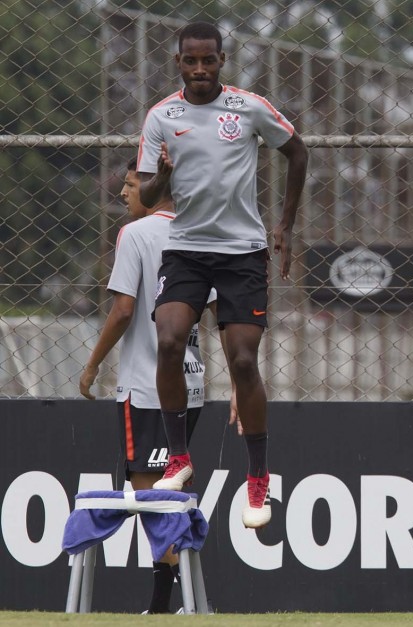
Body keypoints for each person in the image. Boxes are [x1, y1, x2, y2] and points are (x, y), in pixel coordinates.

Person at [137, 21, 309, 529]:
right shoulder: (161, 116)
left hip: (241, 253)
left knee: (241, 360)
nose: (199, 69)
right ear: (178, 62)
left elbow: (297, 152)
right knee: (168, 340)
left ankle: (258, 480)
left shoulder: (248, 107)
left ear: (221, 61)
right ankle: (179, 458)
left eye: (208, 60)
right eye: (190, 61)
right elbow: (145, 197)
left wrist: (284, 225)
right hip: (187, 249)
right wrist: (163, 178)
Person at [79, 158, 212, 614]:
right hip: (190, 386)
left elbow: (122, 310)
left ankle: (162, 606)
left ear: (157, 186)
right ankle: (174, 602)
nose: (123, 193)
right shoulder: (201, 231)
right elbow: (208, 310)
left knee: (150, 497)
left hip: (145, 387)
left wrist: (93, 365)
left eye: (131, 184)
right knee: (168, 495)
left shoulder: (135, 234)